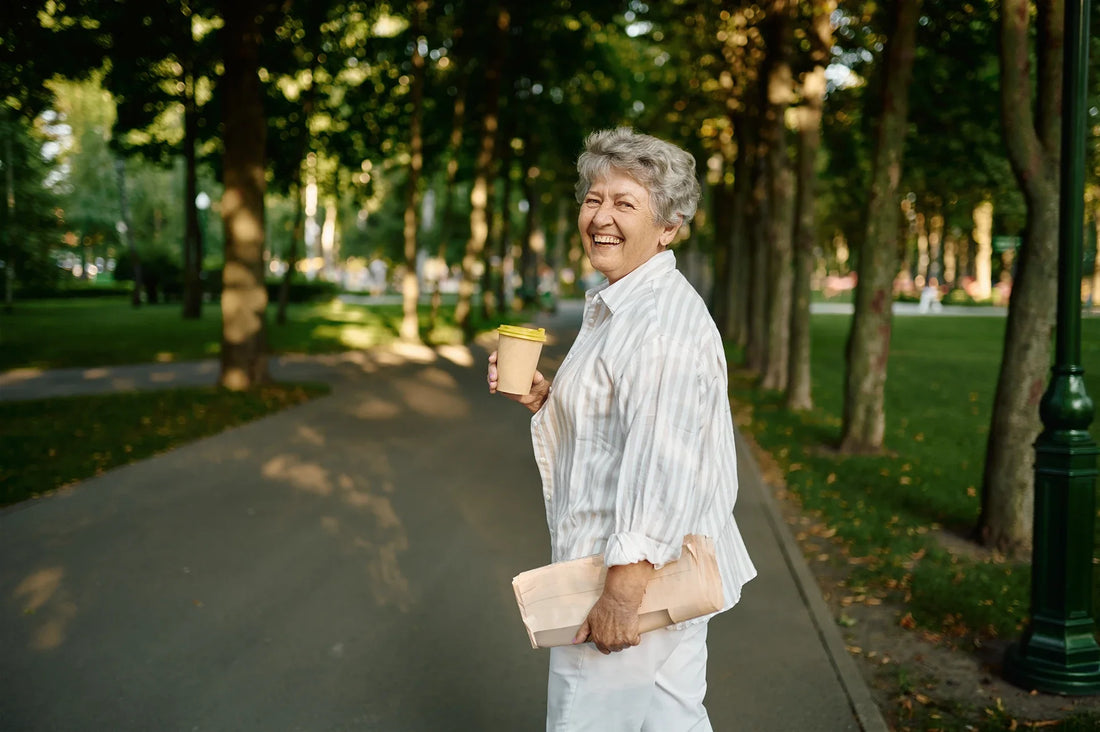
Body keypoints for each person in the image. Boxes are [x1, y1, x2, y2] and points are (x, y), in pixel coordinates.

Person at [487, 127, 756, 731]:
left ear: (669, 226)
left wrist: (620, 597)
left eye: (625, 203)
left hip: (627, 578)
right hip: (661, 579)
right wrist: (547, 399)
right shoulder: (622, 304)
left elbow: (664, 465)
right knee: (672, 723)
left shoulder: (658, 324)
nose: (601, 216)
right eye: (593, 198)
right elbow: (626, 428)